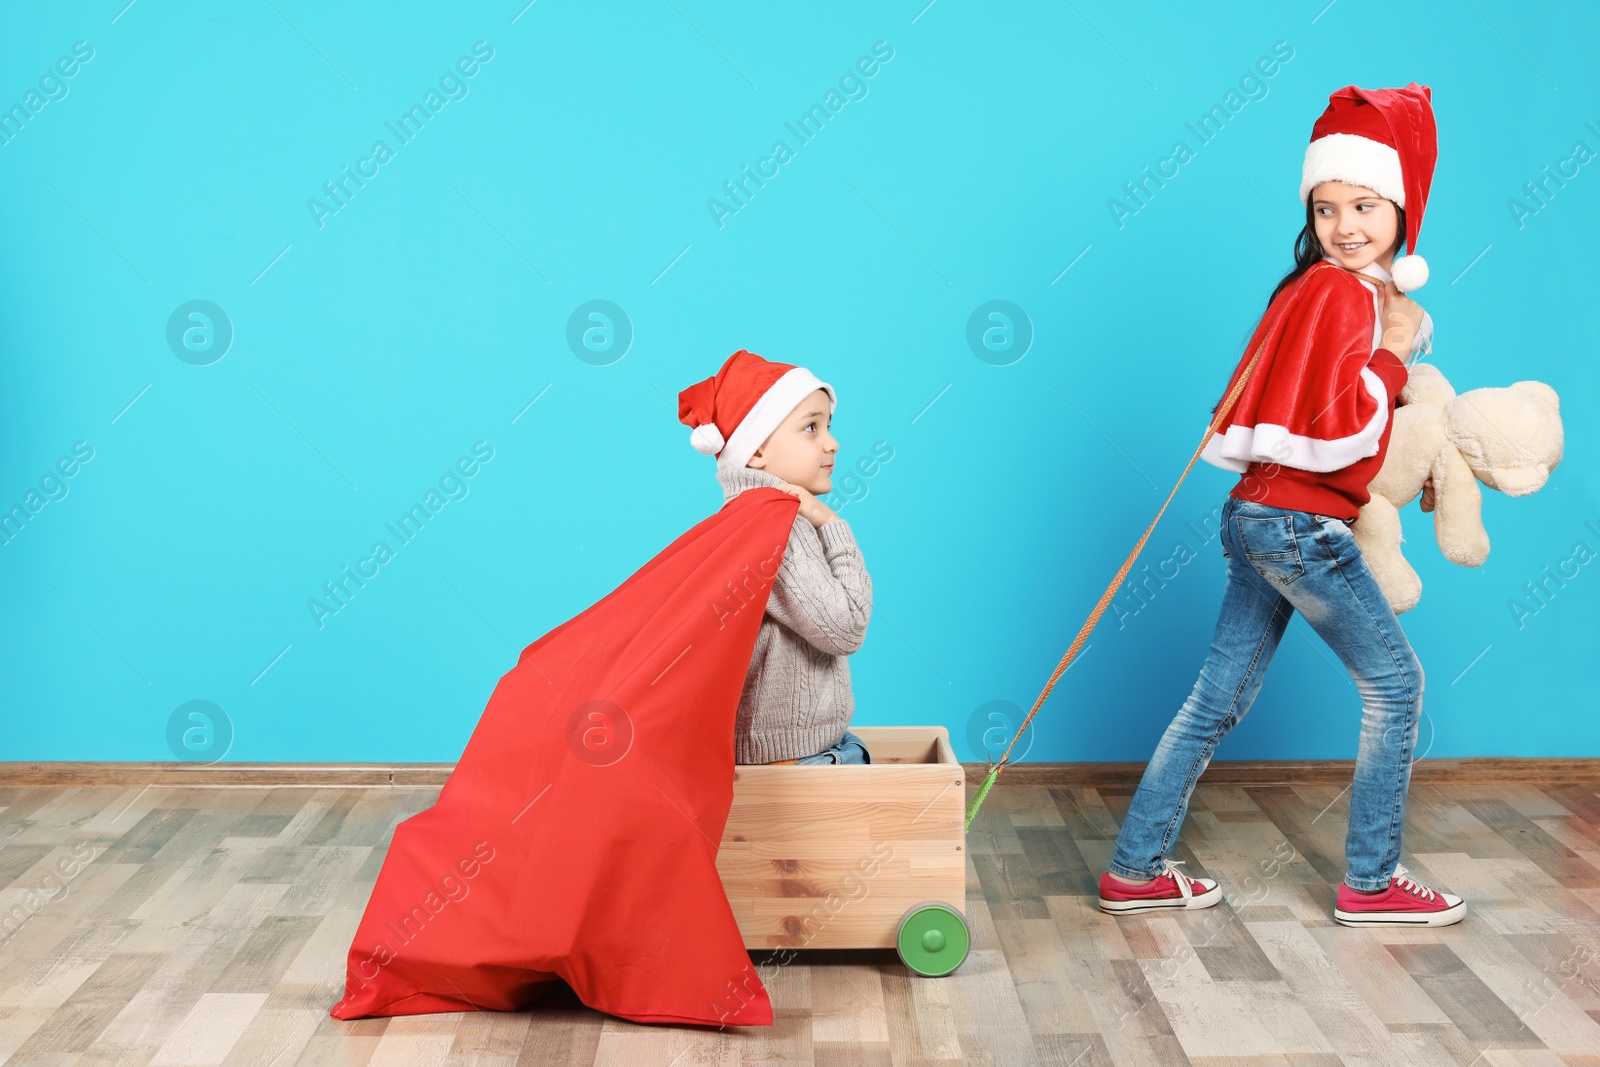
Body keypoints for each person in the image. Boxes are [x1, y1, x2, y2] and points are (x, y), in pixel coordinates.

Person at [1097, 83, 1466, 927]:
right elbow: (1339, 427)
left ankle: (1135, 867)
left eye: (1364, 205)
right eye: (1327, 207)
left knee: (1214, 699)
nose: (1345, 226)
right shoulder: (1344, 295)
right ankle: (1371, 883)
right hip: (1298, 525)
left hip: (1257, 517)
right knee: (1397, 685)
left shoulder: (1308, 288)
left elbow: (1313, 420)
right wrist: (1399, 354)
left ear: (1398, 208)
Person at [678, 350, 874, 766]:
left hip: (789, 745)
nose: (832, 442)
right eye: (810, 428)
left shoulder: (748, 517)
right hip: (791, 757)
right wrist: (829, 521)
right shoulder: (779, 526)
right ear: (756, 454)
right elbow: (846, 628)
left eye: (828, 426)